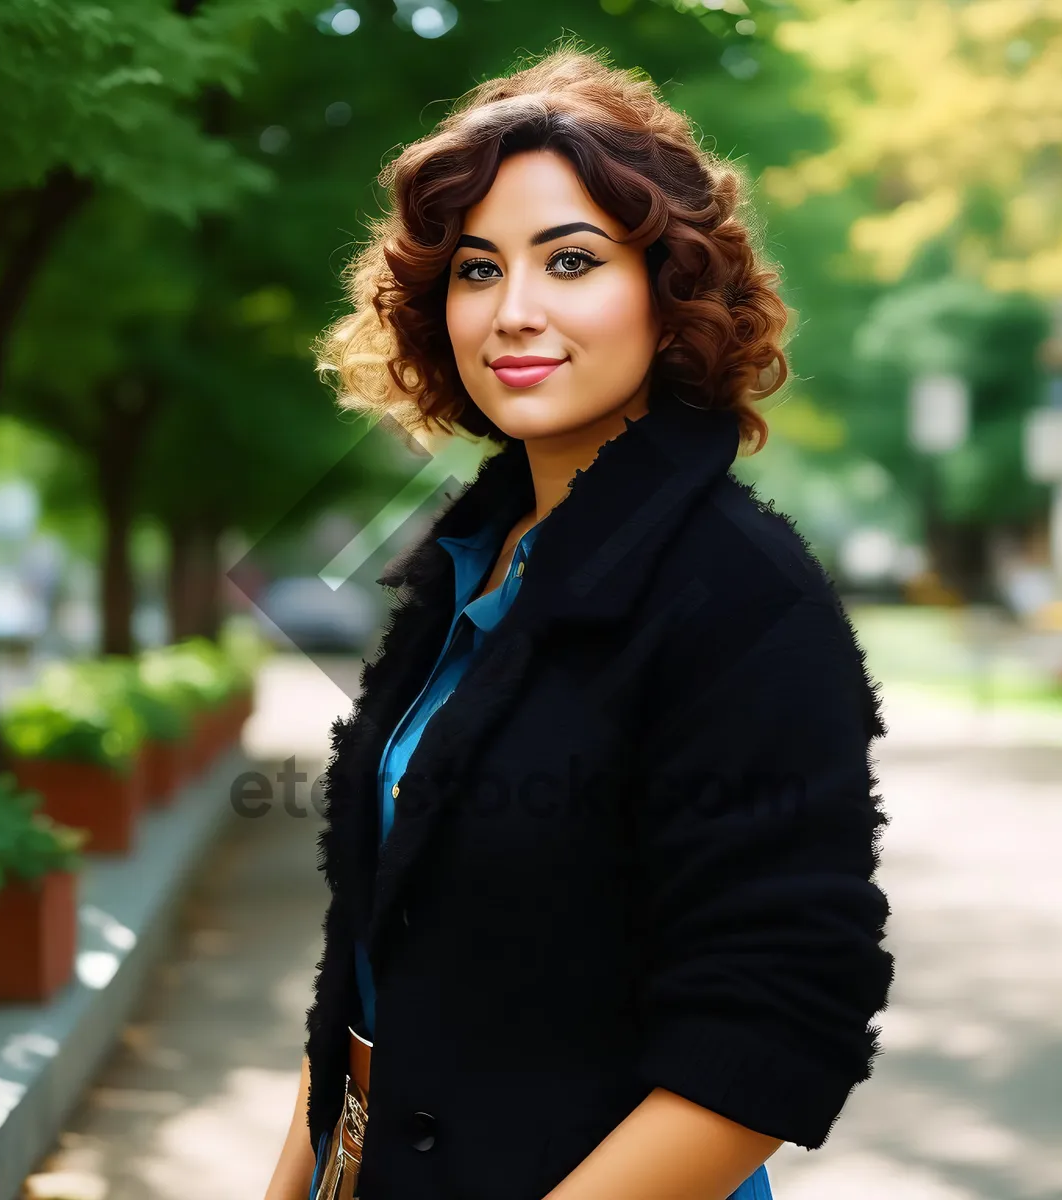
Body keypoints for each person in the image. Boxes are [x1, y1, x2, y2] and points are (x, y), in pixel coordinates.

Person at [265, 43, 893, 1200]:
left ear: (670, 287)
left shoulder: (742, 597)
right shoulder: (469, 561)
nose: (514, 311)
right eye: (475, 269)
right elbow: (372, 957)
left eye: (571, 260)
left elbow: (778, 1020)